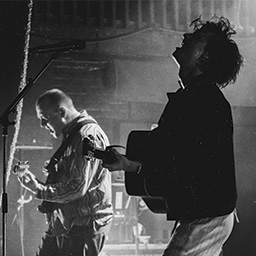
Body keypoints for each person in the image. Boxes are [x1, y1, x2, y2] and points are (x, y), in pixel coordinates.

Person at [103, 16, 243, 256]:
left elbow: (187, 164)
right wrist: (128, 164)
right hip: (205, 215)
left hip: (207, 217)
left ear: (205, 56)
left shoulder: (202, 100)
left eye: (196, 38)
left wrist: (133, 165)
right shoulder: (193, 96)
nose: (186, 37)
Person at [15, 89, 113, 256]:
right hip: (65, 225)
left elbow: (77, 188)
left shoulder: (86, 136)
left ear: (61, 112)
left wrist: (39, 189)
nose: (42, 125)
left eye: (44, 118)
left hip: (83, 227)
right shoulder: (72, 136)